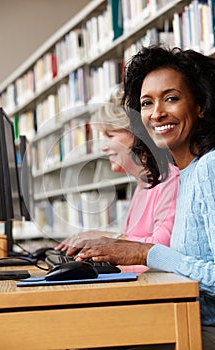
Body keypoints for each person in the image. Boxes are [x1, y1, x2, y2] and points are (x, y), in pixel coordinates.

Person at [69, 46, 215, 349]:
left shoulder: (209, 168)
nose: (157, 113)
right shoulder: (185, 172)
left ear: (200, 105)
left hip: (201, 327)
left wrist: (144, 252)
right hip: (182, 317)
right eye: (146, 103)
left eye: (171, 98)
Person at [56, 86, 179, 273]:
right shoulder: (142, 185)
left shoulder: (170, 179)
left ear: (138, 135)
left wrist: (108, 239)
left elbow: (161, 248)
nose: (104, 147)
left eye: (110, 135)